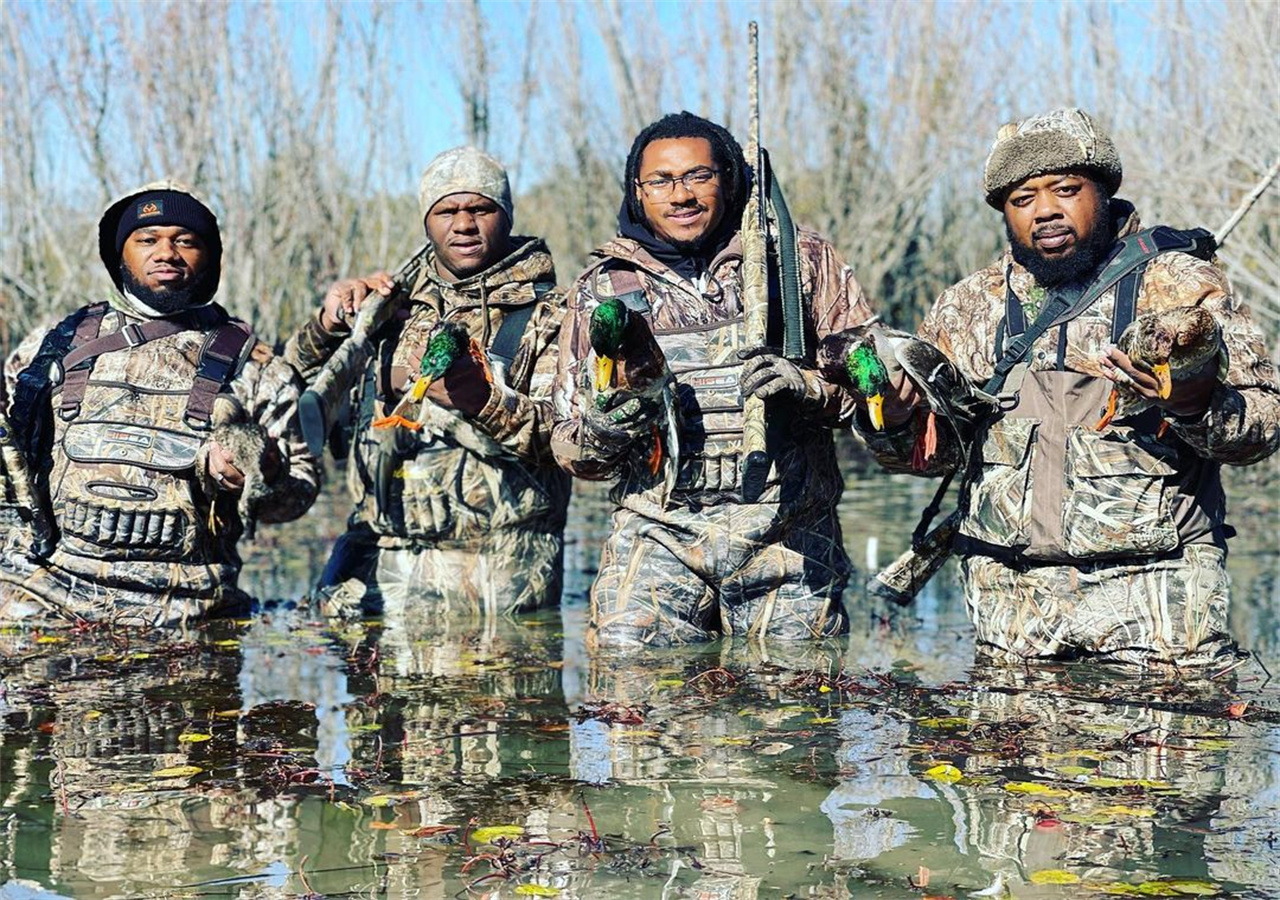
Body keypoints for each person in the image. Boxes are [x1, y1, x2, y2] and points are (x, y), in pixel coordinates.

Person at [858, 108, 1280, 667]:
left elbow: (1262, 429)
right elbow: (929, 460)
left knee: (1174, 752)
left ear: (1103, 191)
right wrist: (890, 414)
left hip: (1158, 598)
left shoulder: (1179, 283)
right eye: (1022, 198)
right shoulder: (968, 304)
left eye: (1065, 189)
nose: (1045, 211)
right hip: (1009, 607)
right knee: (1009, 751)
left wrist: (1192, 402)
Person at [551, 111, 876, 647]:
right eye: (661, 181)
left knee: (797, 714)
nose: (680, 195)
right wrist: (610, 426)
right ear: (638, 191)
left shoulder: (796, 261)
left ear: (729, 178)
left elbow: (880, 402)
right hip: (657, 537)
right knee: (639, 705)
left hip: (788, 534)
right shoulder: (601, 289)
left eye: (698, 176)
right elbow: (570, 451)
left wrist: (810, 388)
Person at [0, 181, 319, 627]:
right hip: (45, 605)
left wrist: (259, 475)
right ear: (121, 255)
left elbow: (297, 496)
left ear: (210, 257)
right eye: (147, 240)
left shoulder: (254, 363)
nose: (166, 253)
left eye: (185, 241)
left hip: (189, 615)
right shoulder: (57, 343)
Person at [286, 146, 570, 618]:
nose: (463, 224)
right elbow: (290, 381)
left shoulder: (552, 314)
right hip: (377, 570)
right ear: (426, 221)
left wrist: (483, 402)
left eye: (480, 209)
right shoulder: (388, 307)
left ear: (506, 216)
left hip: (498, 577)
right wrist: (329, 324)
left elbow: (571, 442)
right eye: (446, 211)